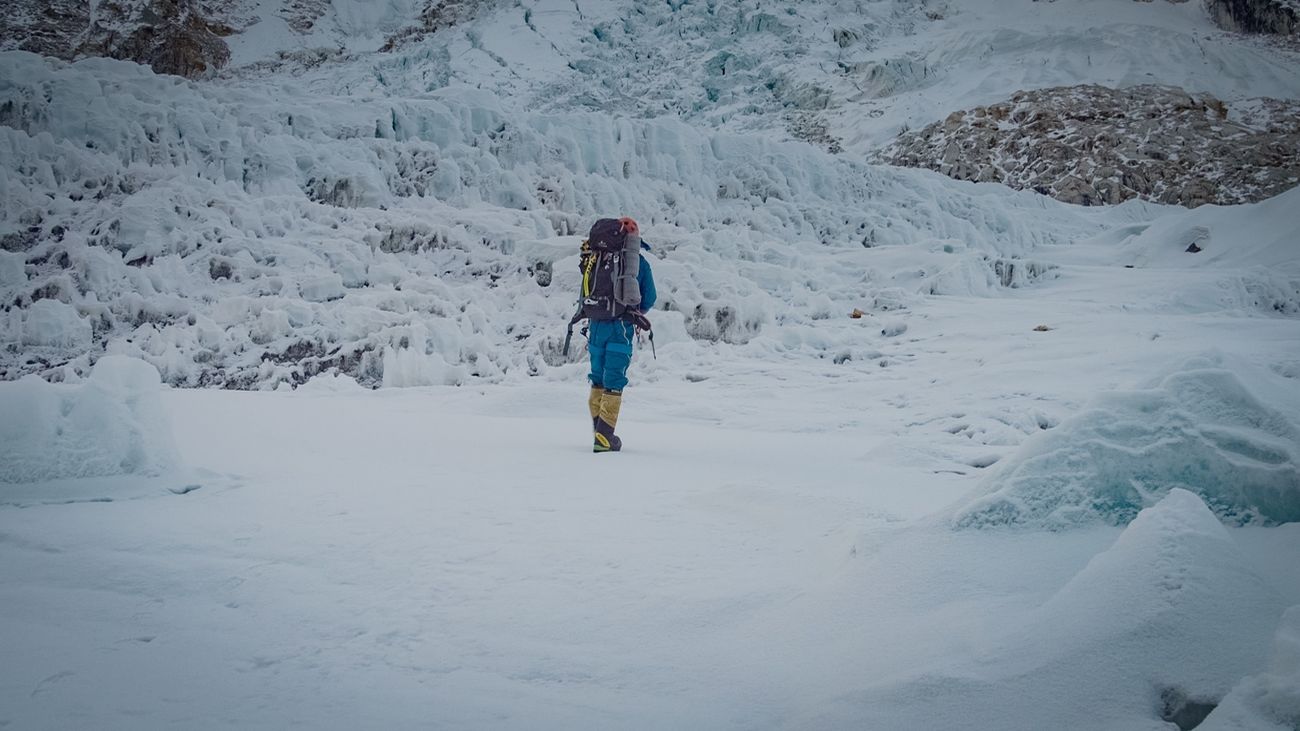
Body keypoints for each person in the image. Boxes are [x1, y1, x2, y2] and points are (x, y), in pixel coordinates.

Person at [580, 216, 656, 453]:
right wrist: (633, 312)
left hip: (595, 325)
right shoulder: (636, 263)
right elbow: (650, 296)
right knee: (614, 379)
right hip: (620, 327)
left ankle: (599, 431)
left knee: (598, 377)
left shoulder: (595, 257)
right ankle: (604, 437)